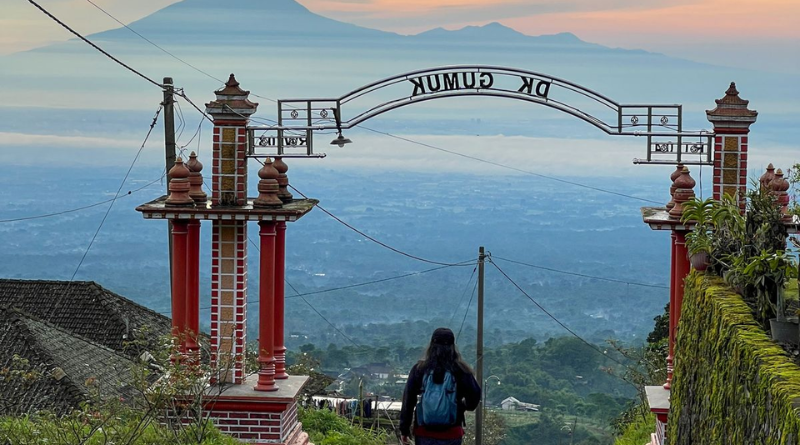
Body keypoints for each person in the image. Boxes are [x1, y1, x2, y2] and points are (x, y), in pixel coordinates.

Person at [400, 327, 481, 445]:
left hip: (424, 432)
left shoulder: (420, 369)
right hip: (452, 433)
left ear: (431, 345)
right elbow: (474, 398)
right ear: (453, 346)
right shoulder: (461, 370)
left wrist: (404, 430)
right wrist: (461, 406)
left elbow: (408, 401)